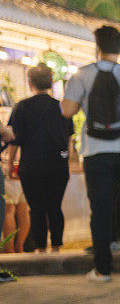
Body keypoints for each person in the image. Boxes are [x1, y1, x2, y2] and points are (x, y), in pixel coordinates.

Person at [62, 25, 120, 282]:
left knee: (100, 209)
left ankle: (103, 269)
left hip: (97, 152)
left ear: (97, 47)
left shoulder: (82, 75)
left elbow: (67, 111)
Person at [6, 63, 72, 253]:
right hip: (58, 165)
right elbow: (69, 139)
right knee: (55, 207)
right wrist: (67, 159)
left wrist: (11, 163)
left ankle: (41, 249)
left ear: (30, 82)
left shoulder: (22, 106)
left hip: (31, 164)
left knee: (36, 208)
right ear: (51, 83)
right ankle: (57, 247)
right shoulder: (61, 107)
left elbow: (14, 139)